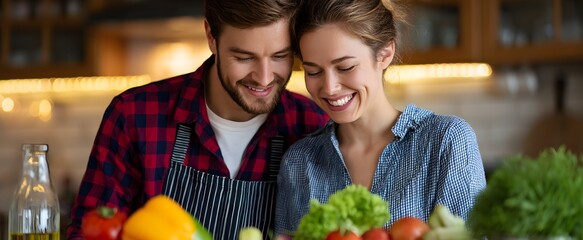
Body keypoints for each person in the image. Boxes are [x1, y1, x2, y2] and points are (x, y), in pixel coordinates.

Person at [67, 0, 329, 239]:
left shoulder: (311, 126)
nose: (263, 77)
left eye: (280, 56)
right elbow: (88, 232)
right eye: (244, 57)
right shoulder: (133, 115)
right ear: (211, 37)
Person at [274, 0, 487, 236]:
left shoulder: (446, 141)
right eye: (313, 71)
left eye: (345, 67)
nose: (330, 87)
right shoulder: (298, 163)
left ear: (385, 54)